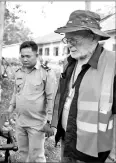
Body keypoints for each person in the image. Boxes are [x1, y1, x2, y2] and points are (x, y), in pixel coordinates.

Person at [51, 10, 116, 163]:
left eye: (74, 38)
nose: (69, 44)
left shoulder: (112, 64)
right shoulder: (70, 62)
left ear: (93, 36)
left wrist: (113, 156)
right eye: (67, 39)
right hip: (68, 140)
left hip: (95, 152)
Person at [8, 41, 56, 162]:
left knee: (36, 156)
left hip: (37, 123)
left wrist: (50, 122)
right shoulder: (18, 72)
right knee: (23, 153)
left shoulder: (46, 73)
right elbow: (16, 92)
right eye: (22, 56)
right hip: (20, 121)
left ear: (36, 55)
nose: (24, 59)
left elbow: (52, 99)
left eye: (28, 56)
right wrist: (10, 108)